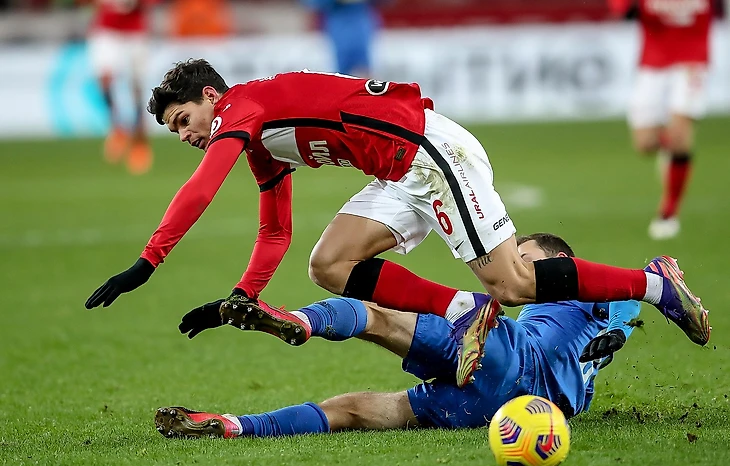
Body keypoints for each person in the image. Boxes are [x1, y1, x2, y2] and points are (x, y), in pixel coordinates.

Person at [83, 60, 710, 350]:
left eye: (184, 120)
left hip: (428, 154)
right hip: (396, 172)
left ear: (210, 97)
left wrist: (147, 263)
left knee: (514, 283)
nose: (185, 135)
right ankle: (469, 315)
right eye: (175, 131)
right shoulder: (259, 140)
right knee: (329, 263)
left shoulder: (241, 108)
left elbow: (201, 188)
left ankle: (655, 285)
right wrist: (243, 296)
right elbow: (275, 232)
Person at [154, 234, 641, 439]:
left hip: (509, 354)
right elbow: (630, 306)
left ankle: (301, 321)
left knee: (376, 316)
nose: (515, 268)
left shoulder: (582, 286)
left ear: (560, 263)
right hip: (501, 409)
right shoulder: (572, 315)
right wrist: (611, 339)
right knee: (353, 411)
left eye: (524, 259)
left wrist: (616, 330)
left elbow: (638, 291)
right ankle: (237, 426)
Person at [609, 0, 714, 239]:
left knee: (679, 137)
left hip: (692, 61)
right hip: (653, 64)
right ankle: (671, 153)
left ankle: (668, 213)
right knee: (644, 144)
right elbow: (624, 12)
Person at [85, 0, 155, 174]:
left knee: (136, 86)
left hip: (134, 30)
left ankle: (139, 141)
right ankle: (118, 127)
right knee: (104, 79)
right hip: (107, 29)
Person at [300, 0, 381, 77]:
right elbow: (312, 3)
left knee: (364, 70)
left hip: (361, 27)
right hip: (338, 29)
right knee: (340, 72)